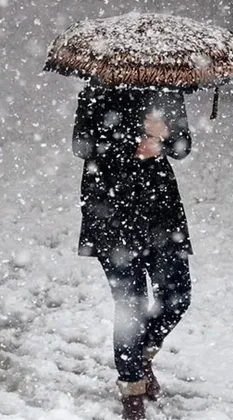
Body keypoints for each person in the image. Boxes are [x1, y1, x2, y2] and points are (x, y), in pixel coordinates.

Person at [72, 78, 193, 420]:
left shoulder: (167, 89)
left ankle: (140, 357)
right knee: (131, 304)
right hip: (110, 210)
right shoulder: (97, 91)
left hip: (161, 212)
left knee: (177, 295)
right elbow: (82, 146)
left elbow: (183, 147)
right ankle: (131, 390)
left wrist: (164, 136)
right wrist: (133, 141)